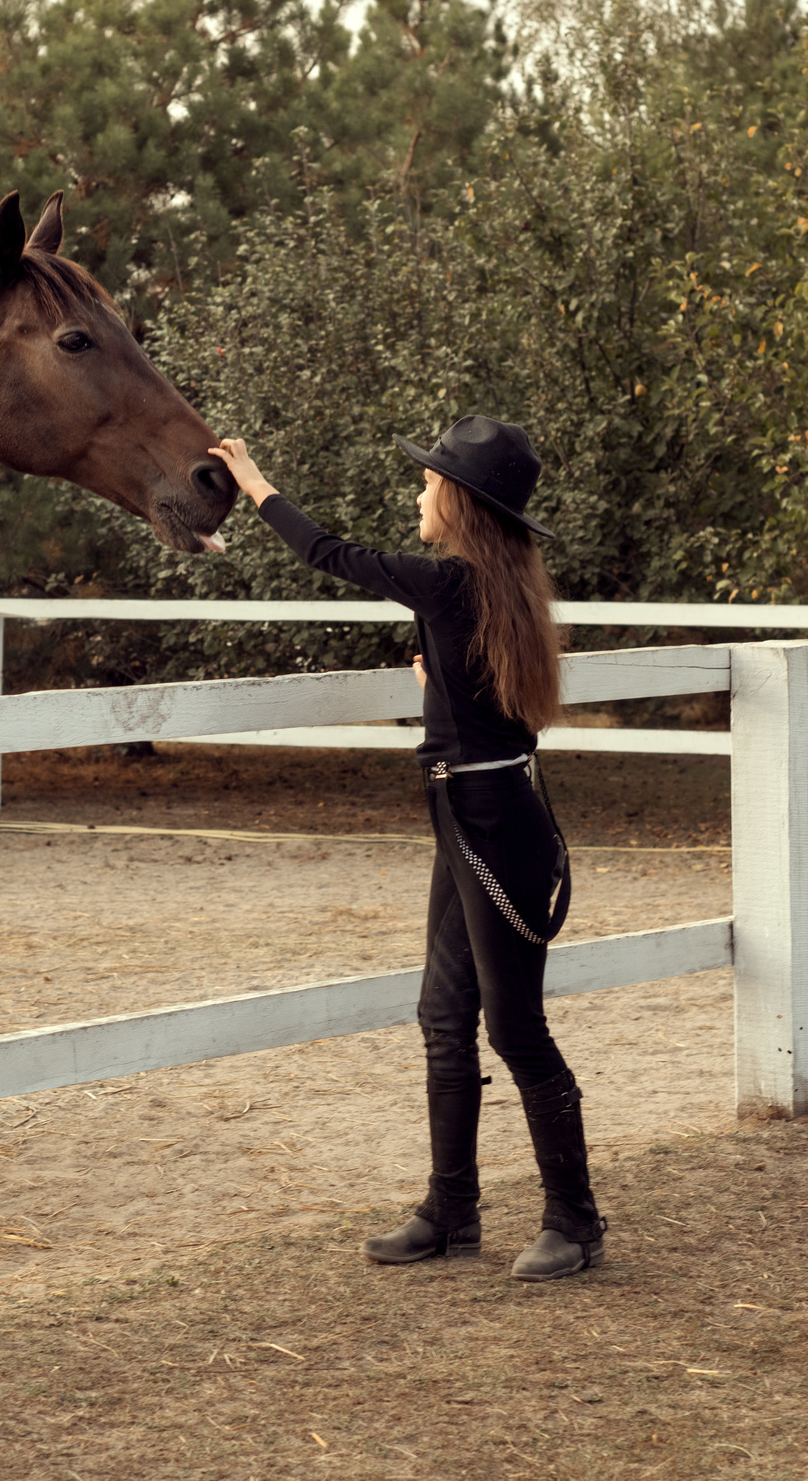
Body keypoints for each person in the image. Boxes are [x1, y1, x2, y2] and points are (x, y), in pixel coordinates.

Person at [207, 417, 605, 1281]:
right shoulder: (491, 593)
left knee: (515, 1026)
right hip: (471, 816)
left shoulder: (450, 584)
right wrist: (437, 684)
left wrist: (255, 484)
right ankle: (450, 1211)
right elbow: (486, 703)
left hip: (492, 823)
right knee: (441, 1017)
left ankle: (575, 1220)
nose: (417, 493)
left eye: (428, 483)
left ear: (457, 504)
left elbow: (328, 553)